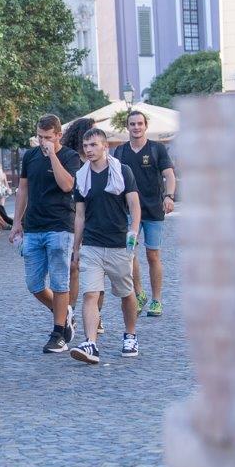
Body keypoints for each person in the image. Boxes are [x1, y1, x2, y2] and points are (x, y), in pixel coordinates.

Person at [10, 115, 85, 354]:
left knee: (59, 281)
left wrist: (52, 154)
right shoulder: (30, 156)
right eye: (39, 137)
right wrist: (16, 222)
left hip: (60, 226)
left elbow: (67, 185)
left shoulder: (69, 156)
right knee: (34, 284)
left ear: (58, 135)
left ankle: (58, 333)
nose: (43, 142)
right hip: (33, 227)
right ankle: (64, 314)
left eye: (47, 138)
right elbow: (23, 189)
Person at [69, 127, 142, 364]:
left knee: (126, 294)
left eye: (93, 145)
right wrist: (77, 247)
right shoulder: (81, 177)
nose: (88, 150)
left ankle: (130, 335)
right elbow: (79, 215)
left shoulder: (122, 171)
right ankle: (91, 343)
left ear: (105, 147)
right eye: (86, 146)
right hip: (92, 244)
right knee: (90, 294)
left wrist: (133, 229)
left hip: (119, 244)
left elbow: (134, 205)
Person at [112, 110, 176, 317]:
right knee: (129, 254)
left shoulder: (157, 149)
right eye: (132, 124)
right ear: (127, 127)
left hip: (153, 210)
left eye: (140, 123)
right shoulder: (120, 152)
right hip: (129, 211)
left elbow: (169, 175)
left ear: (145, 126)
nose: (136, 127)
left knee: (153, 255)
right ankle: (139, 294)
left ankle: (156, 300)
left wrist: (169, 196)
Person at [60, 118, 105, 334]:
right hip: (72, 215)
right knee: (74, 267)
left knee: (97, 269)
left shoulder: (100, 160)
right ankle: (72, 311)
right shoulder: (70, 158)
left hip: (96, 217)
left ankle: (97, 314)